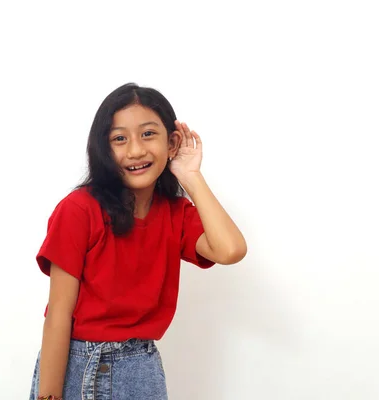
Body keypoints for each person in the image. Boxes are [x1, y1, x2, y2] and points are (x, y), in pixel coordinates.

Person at [28, 82, 247, 400]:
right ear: (104, 148)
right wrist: (49, 397)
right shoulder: (79, 210)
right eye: (119, 139)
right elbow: (59, 315)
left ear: (171, 142)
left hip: (141, 366)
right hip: (80, 366)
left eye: (148, 134)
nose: (135, 150)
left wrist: (191, 176)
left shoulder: (176, 214)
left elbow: (230, 250)